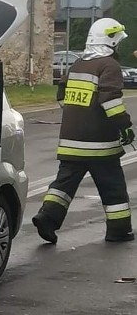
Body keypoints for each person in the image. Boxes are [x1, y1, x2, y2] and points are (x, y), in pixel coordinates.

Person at [32, 17, 135, 244]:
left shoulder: (78, 64)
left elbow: (61, 96)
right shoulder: (109, 66)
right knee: (113, 188)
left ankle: (47, 218)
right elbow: (110, 101)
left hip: (71, 143)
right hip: (100, 146)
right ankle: (119, 231)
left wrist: (78, 115)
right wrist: (125, 127)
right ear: (110, 42)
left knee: (63, 185)